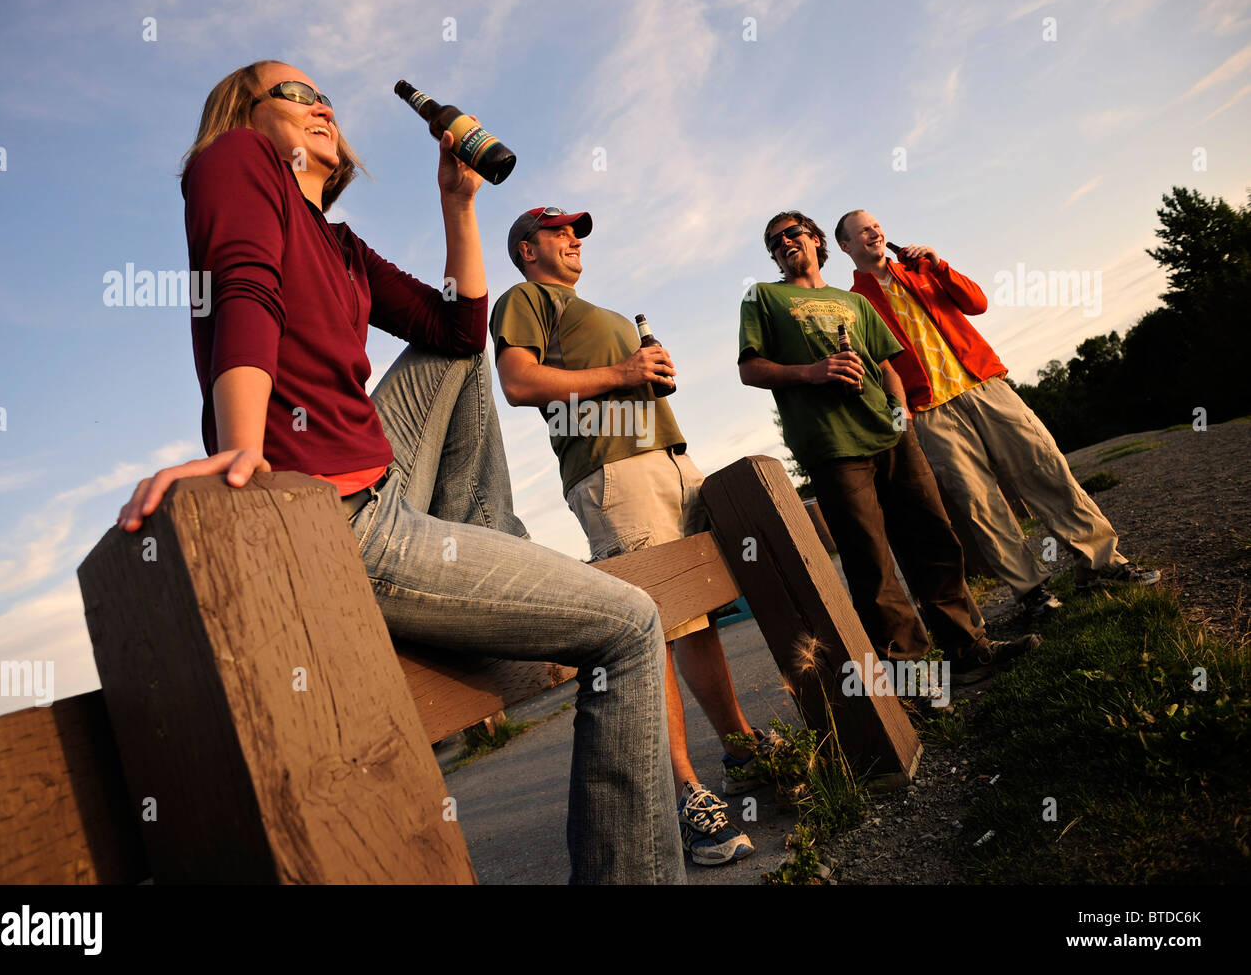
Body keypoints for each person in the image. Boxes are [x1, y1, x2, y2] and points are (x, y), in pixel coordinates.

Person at [114, 61, 685, 885]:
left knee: (457, 353)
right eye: (296, 93)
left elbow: (458, 329)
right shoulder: (235, 160)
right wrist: (243, 446)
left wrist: (459, 202)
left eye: (325, 97)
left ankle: (479, 536)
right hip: (328, 513)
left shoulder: (341, 246)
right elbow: (244, 281)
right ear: (246, 110)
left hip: (385, 486)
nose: (321, 105)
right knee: (630, 624)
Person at [490, 207, 782, 866]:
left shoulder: (603, 311)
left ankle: (738, 745)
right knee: (652, 630)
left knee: (696, 617)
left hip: (670, 459)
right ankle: (682, 794)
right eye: (560, 231)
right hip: (613, 472)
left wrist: (646, 374)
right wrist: (623, 376)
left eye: (577, 232)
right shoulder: (526, 298)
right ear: (527, 247)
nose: (573, 239)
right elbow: (518, 381)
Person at [738, 210, 1039, 671]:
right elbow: (750, 369)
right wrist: (812, 372)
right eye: (773, 242)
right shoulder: (763, 298)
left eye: (792, 233)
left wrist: (900, 417)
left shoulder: (854, 302)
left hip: (891, 435)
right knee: (872, 565)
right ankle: (915, 675)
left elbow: (888, 366)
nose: (783, 244)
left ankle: (968, 649)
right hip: (833, 447)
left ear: (817, 240)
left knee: (934, 541)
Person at [834, 210, 1160, 614]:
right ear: (846, 246)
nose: (875, 232)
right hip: (931, 411)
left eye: (877, 225)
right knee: (979, 502)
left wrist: (940, 265)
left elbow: (977, 303)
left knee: (1046, 467)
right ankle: (1031, 591)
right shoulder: (852, 303)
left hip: (985, 384)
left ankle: (1100, 562)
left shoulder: (921, 269)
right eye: (863, 230)